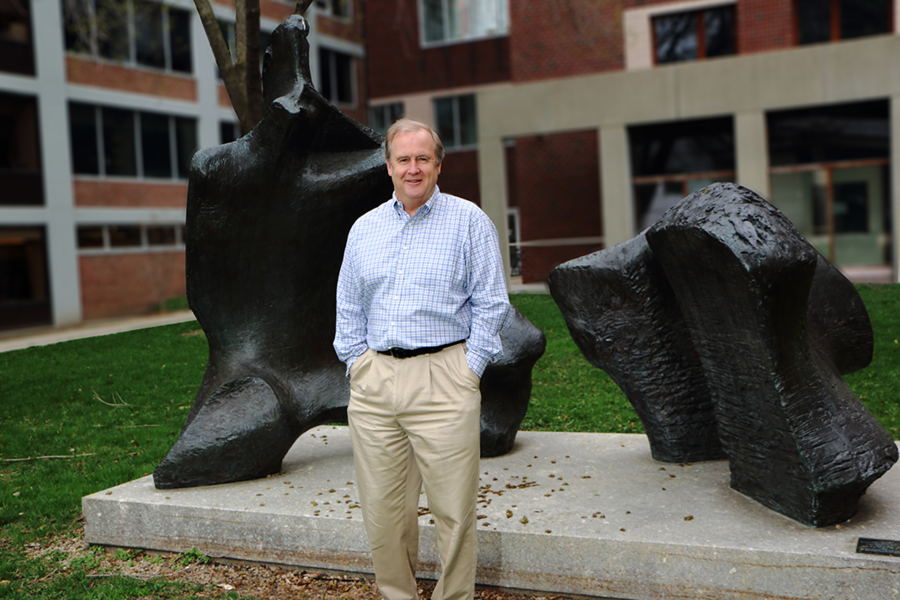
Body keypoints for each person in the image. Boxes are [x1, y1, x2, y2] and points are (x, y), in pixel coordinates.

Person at [333, 118, 512, 600]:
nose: (413, 169)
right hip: (374, 384)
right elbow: (348, 305)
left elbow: (493, 303)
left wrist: (468, 369)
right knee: (383, 513)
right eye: (403, 159)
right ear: (388, 166)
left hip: (444, 379)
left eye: (423, 159)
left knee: (453, 513)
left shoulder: (469, 221)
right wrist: (357, 364)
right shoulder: (363, 229)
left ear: (438, 165)